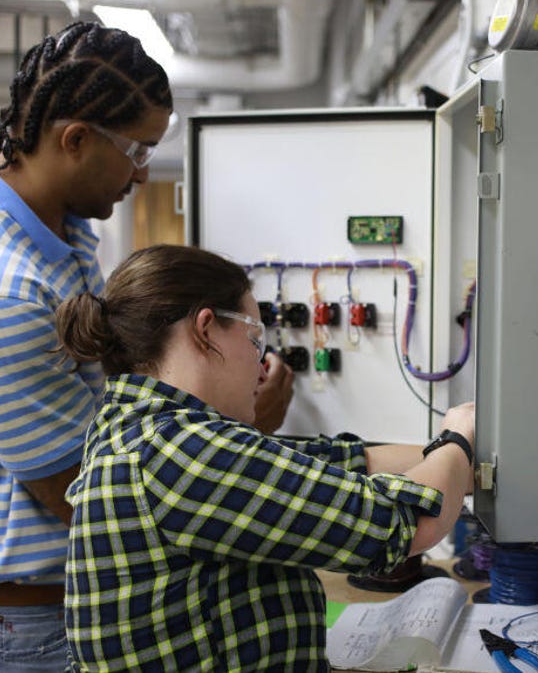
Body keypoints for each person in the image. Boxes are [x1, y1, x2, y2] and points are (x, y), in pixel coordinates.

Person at [0, 23, 293, 672]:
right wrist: (238, 425)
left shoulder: (61, 226)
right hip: (13, 628)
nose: (142, 174)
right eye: (137, 152)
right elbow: (81, 493)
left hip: (51, 605)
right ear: (74, 140)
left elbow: (104, 406)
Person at [55, 244, 477, 672]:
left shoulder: (140, 432)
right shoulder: (176, 452)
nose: (261, 367)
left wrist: (476, 464)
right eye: (255, 340)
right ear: (205, 329)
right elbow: (407, 523)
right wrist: (459, 436)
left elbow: (340, 463)